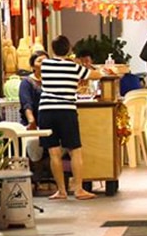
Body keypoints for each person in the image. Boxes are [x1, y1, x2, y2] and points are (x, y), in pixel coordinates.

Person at [39, 35, 109, 200]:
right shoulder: (74, 68)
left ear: (52, 49)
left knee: (54, 153)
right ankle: (78, 189)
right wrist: (103, 71)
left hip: (46, 110)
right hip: (66, 110)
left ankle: (61, 191)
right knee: (74, 151)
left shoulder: (45, 65)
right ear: (69, 49)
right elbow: (95, 75)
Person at [19, 50, 48, 166]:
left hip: (48, 122)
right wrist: (32, 122)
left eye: (46, 61)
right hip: (33, 123)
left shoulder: (51, 81)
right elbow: (27, 104)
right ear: (32, 65)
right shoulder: (27, 82)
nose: (43, 64)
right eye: (40, 61)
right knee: (34, 145)